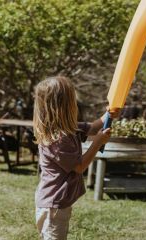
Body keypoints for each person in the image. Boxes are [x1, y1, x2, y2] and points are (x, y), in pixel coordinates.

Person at [33, 76, 120, 240]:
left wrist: (109, 114)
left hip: (57, 202)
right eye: (72, 99)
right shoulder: (57, 138)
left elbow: (94, 127)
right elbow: (79, 166)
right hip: (54, 204)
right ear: (64, 106)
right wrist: (97, 143)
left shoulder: (69, 128)